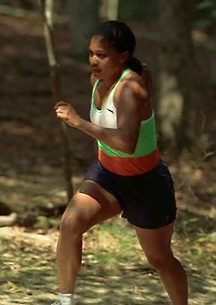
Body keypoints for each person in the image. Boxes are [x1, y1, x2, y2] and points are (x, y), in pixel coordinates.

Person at [51, 20, 188, 305]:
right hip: (108, 176)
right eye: (91, 53)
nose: (93, 61)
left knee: (160, 258)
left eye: (101, 55)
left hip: (146, 182)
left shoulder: (130, 89)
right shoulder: (97, 81)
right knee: (70, 223)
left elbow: (127, 142)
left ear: (123, 57)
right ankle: (65, 301)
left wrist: (78, 123)